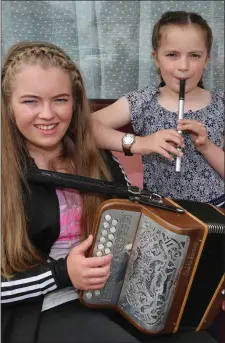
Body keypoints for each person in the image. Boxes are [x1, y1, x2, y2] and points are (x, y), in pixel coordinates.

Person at [1, 41, 219, 343]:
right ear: (8, 105)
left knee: (199, 339)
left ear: (75, 103)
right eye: (30, 102)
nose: (47, 114)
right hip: (42, 305)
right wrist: (62, 274)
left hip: (116, 293)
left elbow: (138, 226)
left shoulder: (97, 156)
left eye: (60, 100)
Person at [91, 11, 224, 208]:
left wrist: (206, 147)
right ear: (156, 58)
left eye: (195, 55)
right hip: (160, 212)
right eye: (172, 55)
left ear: (207, 59)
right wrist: (140, 143)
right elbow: (84, 128)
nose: (184, 66)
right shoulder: (143, 101)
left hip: (215, 211)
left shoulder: (220, 104)